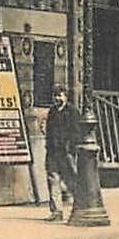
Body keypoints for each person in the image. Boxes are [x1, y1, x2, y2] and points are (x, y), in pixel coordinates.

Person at [44, 89, 79, 222]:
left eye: (59, 95)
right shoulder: (52, 112)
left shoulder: (72, 111)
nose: (57, 98)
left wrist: (70, 148)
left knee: (70, 180)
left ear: (65, 97)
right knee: (53, 179)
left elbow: (76, 132)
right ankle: (56, 211)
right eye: (55, 95)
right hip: (53, 152)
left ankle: (78, 206)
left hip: (66, 153)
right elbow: (48, 131)